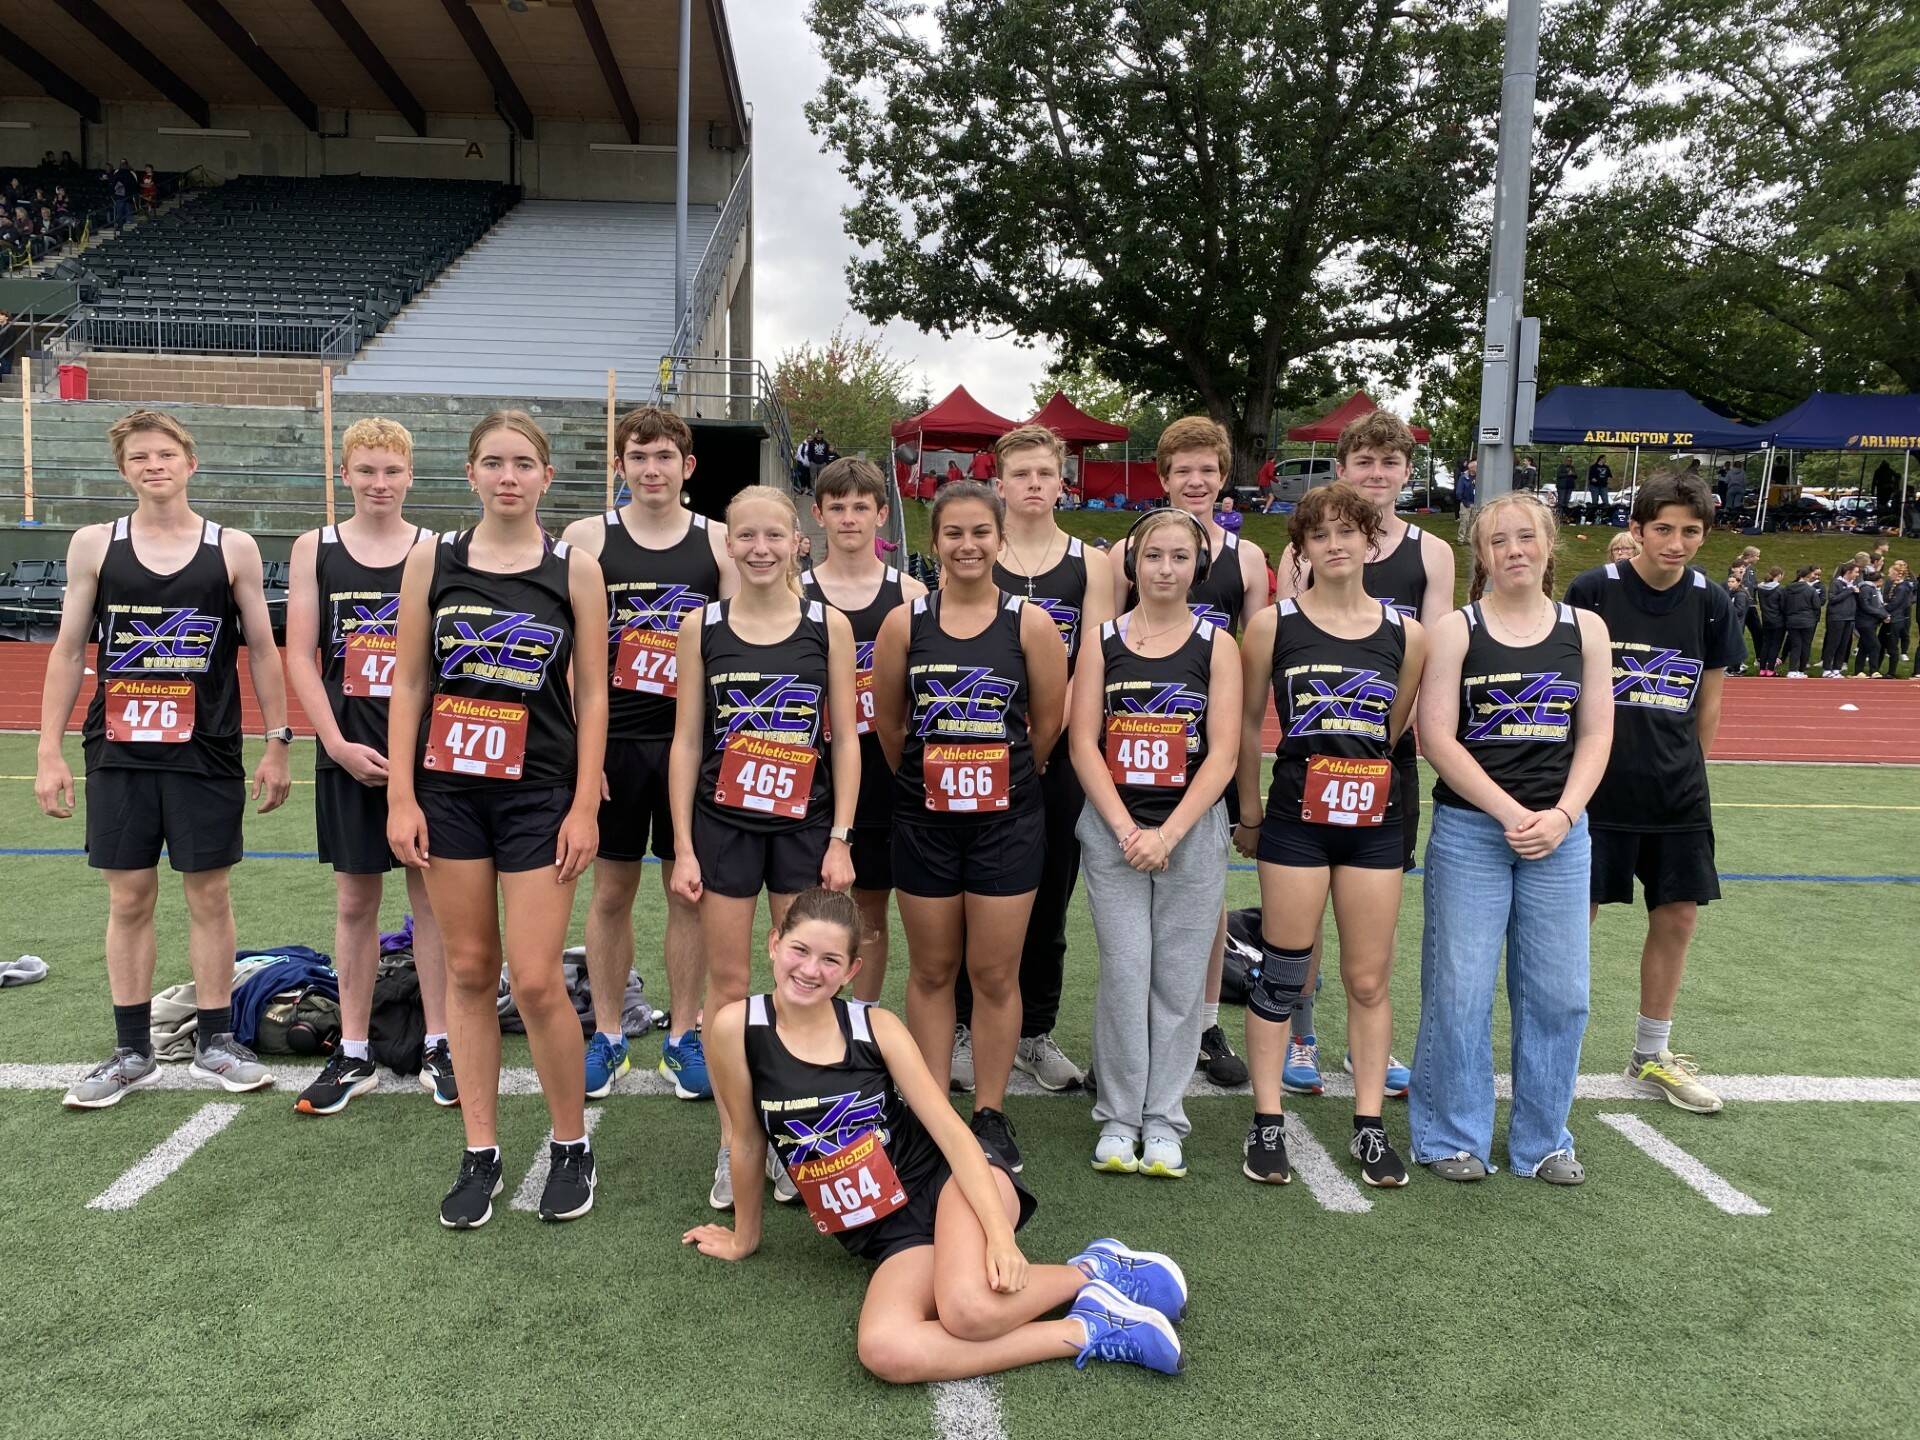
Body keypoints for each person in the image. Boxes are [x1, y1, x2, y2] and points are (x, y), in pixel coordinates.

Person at [682, 889, 1188, 1380]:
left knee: (968, 1310)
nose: (811, 970)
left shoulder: (873, 1028)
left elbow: (949, 1130)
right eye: (800, 950)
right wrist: (745, 1237)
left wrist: (998, 1236)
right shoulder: (735, 1027)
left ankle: (1095, 1270)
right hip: (887, 1236)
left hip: (952, 1184)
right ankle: (1088, 1325)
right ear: (774, 943)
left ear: (852, 971)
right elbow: (747, 1140)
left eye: (830, 960)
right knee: (885, 1349)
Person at [386, 410, 609, 1227]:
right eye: (493, 462)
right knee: (471, 973)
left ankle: (570, 1142)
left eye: (523, 463)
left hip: (540, 792)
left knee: (540, 976)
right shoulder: (429, 562)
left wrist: (586, 802)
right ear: (471, 474)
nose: (508, 475)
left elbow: (592, 693)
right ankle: (480, 1149)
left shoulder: (574, 569)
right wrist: (401, 794)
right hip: (448, 793)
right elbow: (410, 681)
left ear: (547, 478)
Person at [37, 409, 293, 1109]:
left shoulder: (231, 547)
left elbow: (264, 651)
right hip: (118, 749)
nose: (154, 466)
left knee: (208, 894)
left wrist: (278, 740)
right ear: (124, 470)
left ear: (190, 462)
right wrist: (48, 750)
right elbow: (66, 652)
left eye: (165, 454)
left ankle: (215, 1040)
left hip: (205, 749)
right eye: (140, 457)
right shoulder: (94, 545)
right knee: (128, 896)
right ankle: (131, 1051)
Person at [1413, 493, 1613, 1184]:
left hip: (1561, 835)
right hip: (1474, 830)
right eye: (1500, 542)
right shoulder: (1456, 629)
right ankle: (1450, 1136)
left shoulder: (1585, 628)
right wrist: (1507, 812)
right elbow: (1434, 735)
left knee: (1560, 993)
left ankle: (1543, 1141)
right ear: (1481, 555)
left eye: (1527, 538)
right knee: (1461, 989)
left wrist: (1560, 815)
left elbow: (1596, 733)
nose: (1515, 551)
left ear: (1550, 545)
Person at [671, 485, 861, 1210]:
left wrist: (840, 834)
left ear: (797, 542)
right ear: (728, 544)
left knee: (801, 987)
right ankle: (736, 1141)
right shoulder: (703, 625)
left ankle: (793, 1140)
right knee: (727, 988)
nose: (758, 549)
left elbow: (845, 739)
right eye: (744, 536)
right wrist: (684, 844)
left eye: (773, 537)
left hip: (805, 828)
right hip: (724, 826)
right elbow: (689, 739)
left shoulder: (828, 625)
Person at [1234, 482, 1427, 1186]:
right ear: (1303, 548)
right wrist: (1249, 814)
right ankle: (1266, 1121)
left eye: (1349, 531)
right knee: (1284, 971)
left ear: (1371, 541)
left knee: (1369, 978)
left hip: (1374, 822)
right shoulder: (1272, 625)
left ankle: (1369, 1127)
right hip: (1294, 823)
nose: (1336, 544)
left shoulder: (1408, 634)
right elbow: (1248, 724)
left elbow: (1396, 727)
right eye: (1321, 535)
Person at [873, 480, 1068, 1174]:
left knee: (993, 972)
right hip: (923, 822)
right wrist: (936, 776)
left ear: (1000, 539)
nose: (967, 546)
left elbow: (1048, 726)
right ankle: (929, 1116)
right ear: (934, 544)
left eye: (980, 533)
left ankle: (989, 1112)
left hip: (1007, 823)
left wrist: (1002, 775)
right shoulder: (906, 623)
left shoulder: (1029, 625)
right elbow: (891, 725)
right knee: (930, 971)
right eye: (953, 534)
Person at [1272, 409, 1455, 1099]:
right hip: (1316, 749)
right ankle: (1302, 1034)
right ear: (1342, 468)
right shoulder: (1305, 548)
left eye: (1390, 462)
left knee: (1371, 907)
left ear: (1408, 472)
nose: (1377, 474)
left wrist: (1383, 737)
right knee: (1304, 906)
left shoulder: (1430, 553)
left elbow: (1428, 660)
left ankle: (1364, 1045)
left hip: (1385, 753)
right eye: (1364, 461)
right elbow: (1295, 646)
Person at [560, 407, 735, 1103]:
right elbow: (571, 654)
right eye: (639, 457)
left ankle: (683, 1035)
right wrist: (583, 749)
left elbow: (734, 649)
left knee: (686, 890)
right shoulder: (585, 540)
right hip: (616, 742)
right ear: (621, 465)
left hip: (693, 746)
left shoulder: (718, 542)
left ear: (687, 466)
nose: (652, 469)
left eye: (665, 456)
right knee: (610, 892)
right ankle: (607, 1034)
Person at [284, 419, 453, 1114]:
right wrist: (333, 743)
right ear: (345, 476)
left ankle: (441, 1042)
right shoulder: (314, 548)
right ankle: (352, 1049)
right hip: (350, 748)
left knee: (431, 902)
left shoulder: (437, 549)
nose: (379, 484)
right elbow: (299, 651)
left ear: (410, 476)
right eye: (366, 472)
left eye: (391, 472)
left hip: (427, 755)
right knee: (356, 902)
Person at [1071, 509, 1240, 1177]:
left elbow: (1224, 751)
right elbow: (1084, 741)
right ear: (1132, 564)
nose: (1165, 569)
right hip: (1115, 832)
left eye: (1179, 557)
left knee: (1175, 981)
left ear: (1196, 565)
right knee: (1125, 973)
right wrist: (1125, 830)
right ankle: (1117, 1114)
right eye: (1153, 557)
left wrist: (1168, 833)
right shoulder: (1101, 639)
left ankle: (1163, 1117)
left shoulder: (1216, 644)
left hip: (1190, 836)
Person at [1564, 471, 1734, 1115]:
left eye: (1690, 531)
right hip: (1597, 790)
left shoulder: (1713, 602)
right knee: (1575, 919)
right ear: (1635, 530)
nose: (1676, 542)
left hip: (1676, 794)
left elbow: (1708, 705)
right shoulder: (1592, 591)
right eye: (1663, 528)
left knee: (1678, 916)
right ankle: (1560, 1047)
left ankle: (1650, 1052)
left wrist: (1688, 771)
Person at [951, 425, 1114, 1095]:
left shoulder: (1091, 565)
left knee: (1049, 892)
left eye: (1046, 474)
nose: (1035, 485)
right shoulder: (976, 548)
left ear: (1062, 480)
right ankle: (966, 1024)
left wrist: (1050, 739)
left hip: (1059, 753)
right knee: (974, 891)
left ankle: (1033, 1032)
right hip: (978, 741)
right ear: (1000, 484)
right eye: (1021, 475)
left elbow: (1094, 663)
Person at [1111, 415, 1271, 1089]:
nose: (1197, 481)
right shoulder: (1134, 548)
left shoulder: (1249, 559)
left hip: (1213, 747)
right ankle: (1133, 1031)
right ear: (1164, 476)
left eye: (1208, 469)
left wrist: (1251, 774)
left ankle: (1203, 1021)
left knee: (1202, 901)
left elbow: (1259, 658)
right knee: (1129, 905)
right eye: (1184, 470)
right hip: (1139, 745)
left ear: (1222, 475)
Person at [803, 458, 929, 1004]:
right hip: (808, 764)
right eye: (837, 507)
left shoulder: (909, 594)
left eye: (861, 507)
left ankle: (862, 1018)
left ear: (882, 515)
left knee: (869, 903)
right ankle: (807, 1014)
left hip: (882, 765)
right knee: (806, 900)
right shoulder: (796, 591)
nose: (849, 518)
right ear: (818, 515)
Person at [1781, 565, 1821, 678]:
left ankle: (1792, 670)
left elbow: (1783, 604)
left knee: (1795, 645)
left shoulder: (1788, 588)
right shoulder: (1811, 590)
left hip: (1792, 620)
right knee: (1805, 646)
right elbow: (1817, 606)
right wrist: (1814, 619)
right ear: (1808, 576)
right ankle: (1801, 670)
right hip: (1808, 621)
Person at [1821, 562, 1860, 676]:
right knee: (1833, 643)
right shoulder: (1836, 583)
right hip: (1837, 618)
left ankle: (1837, 668)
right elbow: (1833, 599)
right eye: (1856, 572)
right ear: (1848, 572)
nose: (1857, 575)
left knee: (1844, 644)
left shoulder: (1854, 585)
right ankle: (1827, 668)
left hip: (1849, 618)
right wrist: (1849, 591)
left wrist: (1857, 593)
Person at [1852, 572, 1888, 676]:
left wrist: (1885, 615)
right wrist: (1882, 615)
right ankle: (1874, 670)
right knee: (1875, 646)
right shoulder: (1867, 589)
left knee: (1864, 646)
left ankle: (1859, 671)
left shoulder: (1873, 589)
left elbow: (1878, 606)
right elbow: (1866, 606)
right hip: (1865, 622)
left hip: (1870, 622)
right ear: (1879, 580)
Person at [1754, 565, 1787, 676]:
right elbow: (1783, 606)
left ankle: (1762, 669)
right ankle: (1771, 669)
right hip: (1778, 620)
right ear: (1779, 576)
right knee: (1775, 645)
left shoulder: (1761, 588)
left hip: (1766, 619)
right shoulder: (1780, 589)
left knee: (1766, 644)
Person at [1725, 570, 1751, 674]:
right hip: (1732, 623)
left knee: (1733, 646)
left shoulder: (1740, 595)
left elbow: (1739, 610)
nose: (1730, 583)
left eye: (1732, 581)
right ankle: (1735, 667)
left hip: (1737, 624)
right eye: (1729, 581)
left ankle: (1734, 668)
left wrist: (1725, 611)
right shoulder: (1733, 593)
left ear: (1739, 582)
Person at [1588, 455, 1614, 519]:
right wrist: (1593, 479)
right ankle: (1593, 517)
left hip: (1603, 486)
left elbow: (1610, 476)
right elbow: (1590, 477)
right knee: (1595, 501)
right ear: (1601, 459)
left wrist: (1609, 483)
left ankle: (1605, 516)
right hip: (1594, 486)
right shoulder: (1593, 467)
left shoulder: (1606, 467)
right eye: (1604, 459)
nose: (1605, 460)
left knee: (1606, 502)